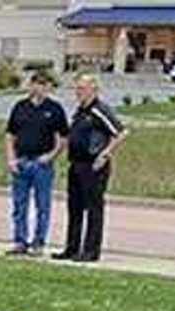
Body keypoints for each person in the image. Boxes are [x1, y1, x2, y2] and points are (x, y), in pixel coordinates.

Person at [55, 74, 129, 263]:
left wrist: (106, 153)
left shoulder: (99, 110)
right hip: (76, 164)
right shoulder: (80, 111)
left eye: (82, 88)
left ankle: (91, 251)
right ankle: (72, 248)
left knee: (94, 209)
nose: (78, 92)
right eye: (77, 89)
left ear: (93, 90)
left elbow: (121, 132)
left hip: (93, 166)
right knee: (75, 208)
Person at [3, 70, 67, 257]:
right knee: (19, 205)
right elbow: (10, 135)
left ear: (48, 87)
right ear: (30, 85)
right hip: (21, 161)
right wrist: (11, 158)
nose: (40, 88)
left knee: (42, 205)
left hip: (41, 164)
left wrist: (51, 155)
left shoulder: (54, 109)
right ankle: (20, 241)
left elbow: (63, 138)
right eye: (36, 83)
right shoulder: (20, 107)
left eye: (44, 84)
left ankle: (38, 243)